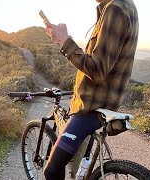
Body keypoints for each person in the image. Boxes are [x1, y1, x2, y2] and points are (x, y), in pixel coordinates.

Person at [43, 0, 139, 179]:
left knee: (52, 171)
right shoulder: (125, 5)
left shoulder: (115, 9)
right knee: (77, 167)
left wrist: (63, 41)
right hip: (98, 103)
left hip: (90, 108)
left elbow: (98, 70)